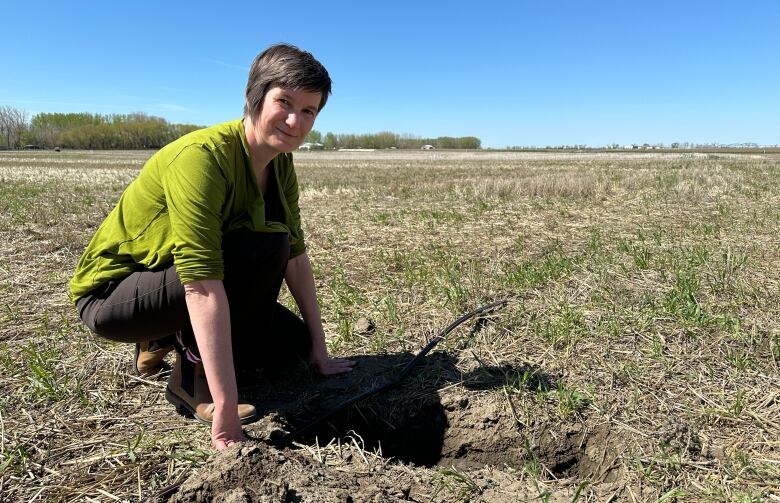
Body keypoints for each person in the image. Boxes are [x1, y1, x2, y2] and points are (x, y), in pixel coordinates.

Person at [69, 44, 354, 450]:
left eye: (308, 111)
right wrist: (226, 402)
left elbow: (296, 256)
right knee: (258, 245)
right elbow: (202, 282)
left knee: (294, 347)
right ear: (254, 97)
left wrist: (320, 351)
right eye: (284, 102)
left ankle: (164, 336)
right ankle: (190, 378)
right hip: (114, 297)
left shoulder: (280, 163)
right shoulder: (202, 157)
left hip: (184, 283)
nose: (295, 121)